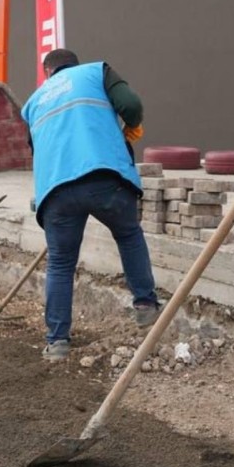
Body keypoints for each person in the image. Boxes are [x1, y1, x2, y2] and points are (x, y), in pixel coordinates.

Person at [20, 48, 160, 363]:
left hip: (56, 191)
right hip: (104, 176)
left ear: (47, 73)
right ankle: (145, 305)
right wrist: (131, 126)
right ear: (74, 65)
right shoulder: (96, 72)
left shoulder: (32, 103)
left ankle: (57, 342)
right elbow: (131, 105)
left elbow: (39, 148)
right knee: (127, 234)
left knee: (60, 263)